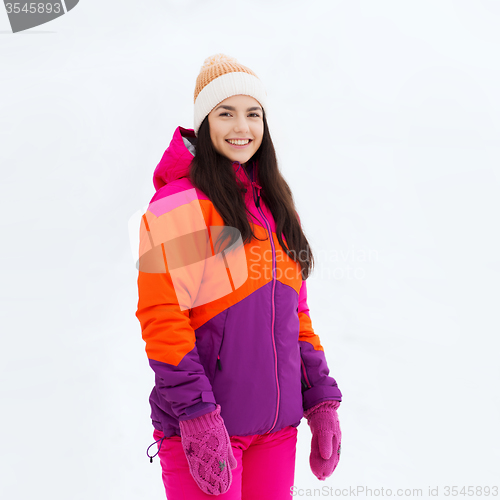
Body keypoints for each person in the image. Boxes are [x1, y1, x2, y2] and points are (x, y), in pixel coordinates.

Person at [135, 53, 343, 499]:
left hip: (276, 428)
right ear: (204, 122)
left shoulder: (277, 209)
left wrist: (321, 397)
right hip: (206, 428)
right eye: (225, 113)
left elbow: (297, 315)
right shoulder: (178, 204)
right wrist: (196, 414)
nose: (241, 127)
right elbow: (162, 318)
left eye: (253, 114)